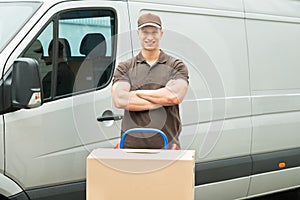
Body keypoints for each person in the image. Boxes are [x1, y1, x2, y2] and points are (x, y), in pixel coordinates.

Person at [112, 13, 189, 149]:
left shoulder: (176, 65)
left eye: (154, 32)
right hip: (130, 146)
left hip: (167, 145)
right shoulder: (125, 67)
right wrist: (161, 98)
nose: (150, 37)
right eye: (145, 32)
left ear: (161, 34)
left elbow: (174, 96)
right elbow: (120, 100)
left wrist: (134, 94)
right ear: (138, 34)